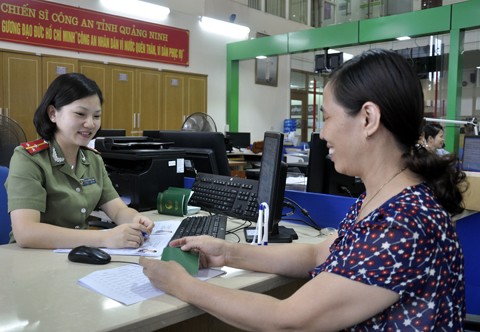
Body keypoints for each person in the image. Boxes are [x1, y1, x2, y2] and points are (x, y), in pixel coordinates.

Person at [140, 49, 467, 330]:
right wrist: (227, 252)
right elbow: (316, 253)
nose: (322, 133)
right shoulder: (380, 198)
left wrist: (181, 285)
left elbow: (290, 320)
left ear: (368, 119)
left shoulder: (402, 223)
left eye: (326, 117)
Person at [5, 73, 154, 249]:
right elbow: (26, 232)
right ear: (53, 113)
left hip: (78, 254)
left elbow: (118, 209)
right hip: (31, 258)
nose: (90, 124)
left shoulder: (93, 159)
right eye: (80, 114)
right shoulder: (28, 159)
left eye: (96, 116)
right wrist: (103, 238)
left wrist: (134, 219)